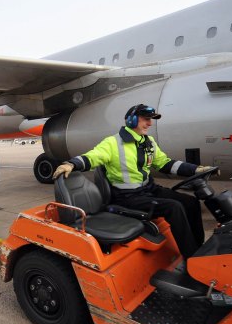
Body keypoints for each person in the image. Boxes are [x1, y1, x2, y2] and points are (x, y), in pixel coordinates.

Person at [52, 104, 215, 259]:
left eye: (151, 119)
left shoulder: (148, 142)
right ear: (132, 120)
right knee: (174, 208)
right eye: (145, 119)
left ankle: (199, 247)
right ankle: (191, 256)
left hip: (148, 190)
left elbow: (165, 163)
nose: (150, 123)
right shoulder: (113, 143)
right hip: (128, 197)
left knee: (192, 203)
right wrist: (72, 164)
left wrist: (196, 170)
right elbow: (94, 156)